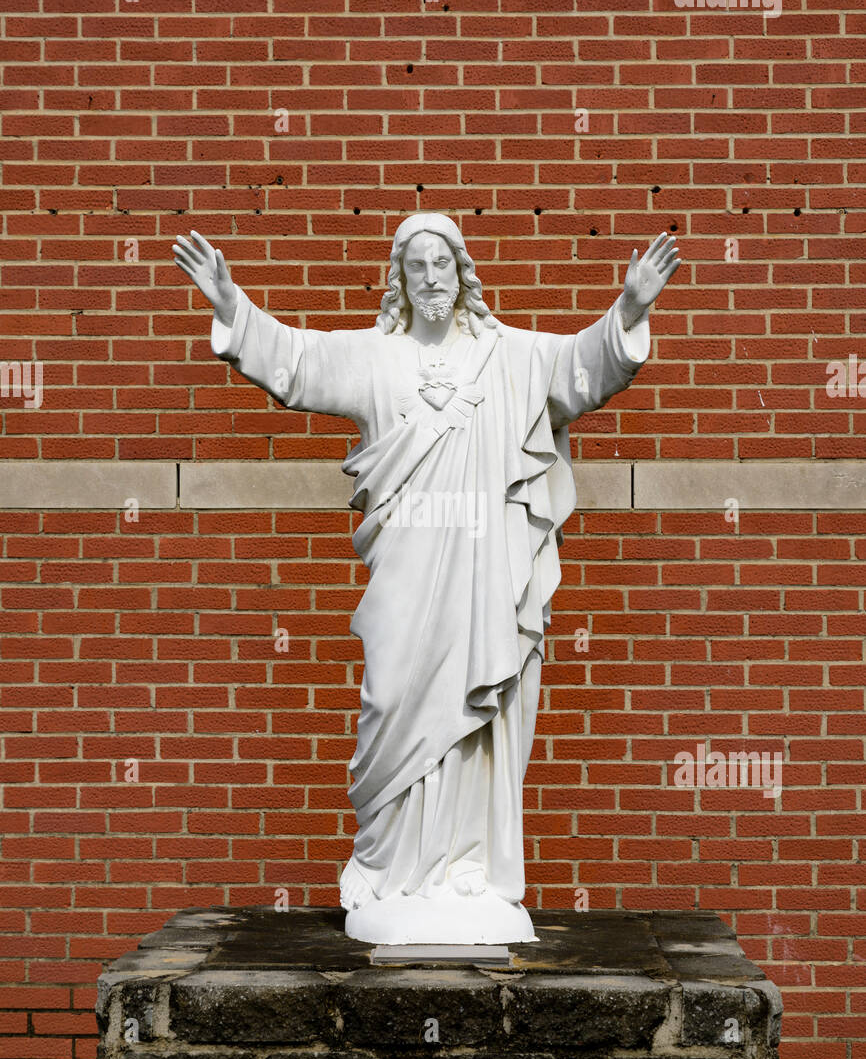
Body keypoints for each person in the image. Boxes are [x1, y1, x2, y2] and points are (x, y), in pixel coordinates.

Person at [173, 214, 680, 943]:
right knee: (392, 695)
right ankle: (390, 868)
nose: (432, 277)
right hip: (406, 570)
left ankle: (466, 870)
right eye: (417, 266)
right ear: (401, 281)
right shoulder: (375, 357)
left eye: (442, 262)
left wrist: (629, 310)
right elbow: (298, 361)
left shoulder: (510, 357)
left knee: (483, 700)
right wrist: (233, 308)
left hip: (485, 567)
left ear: (462, 271)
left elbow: (580, 369)